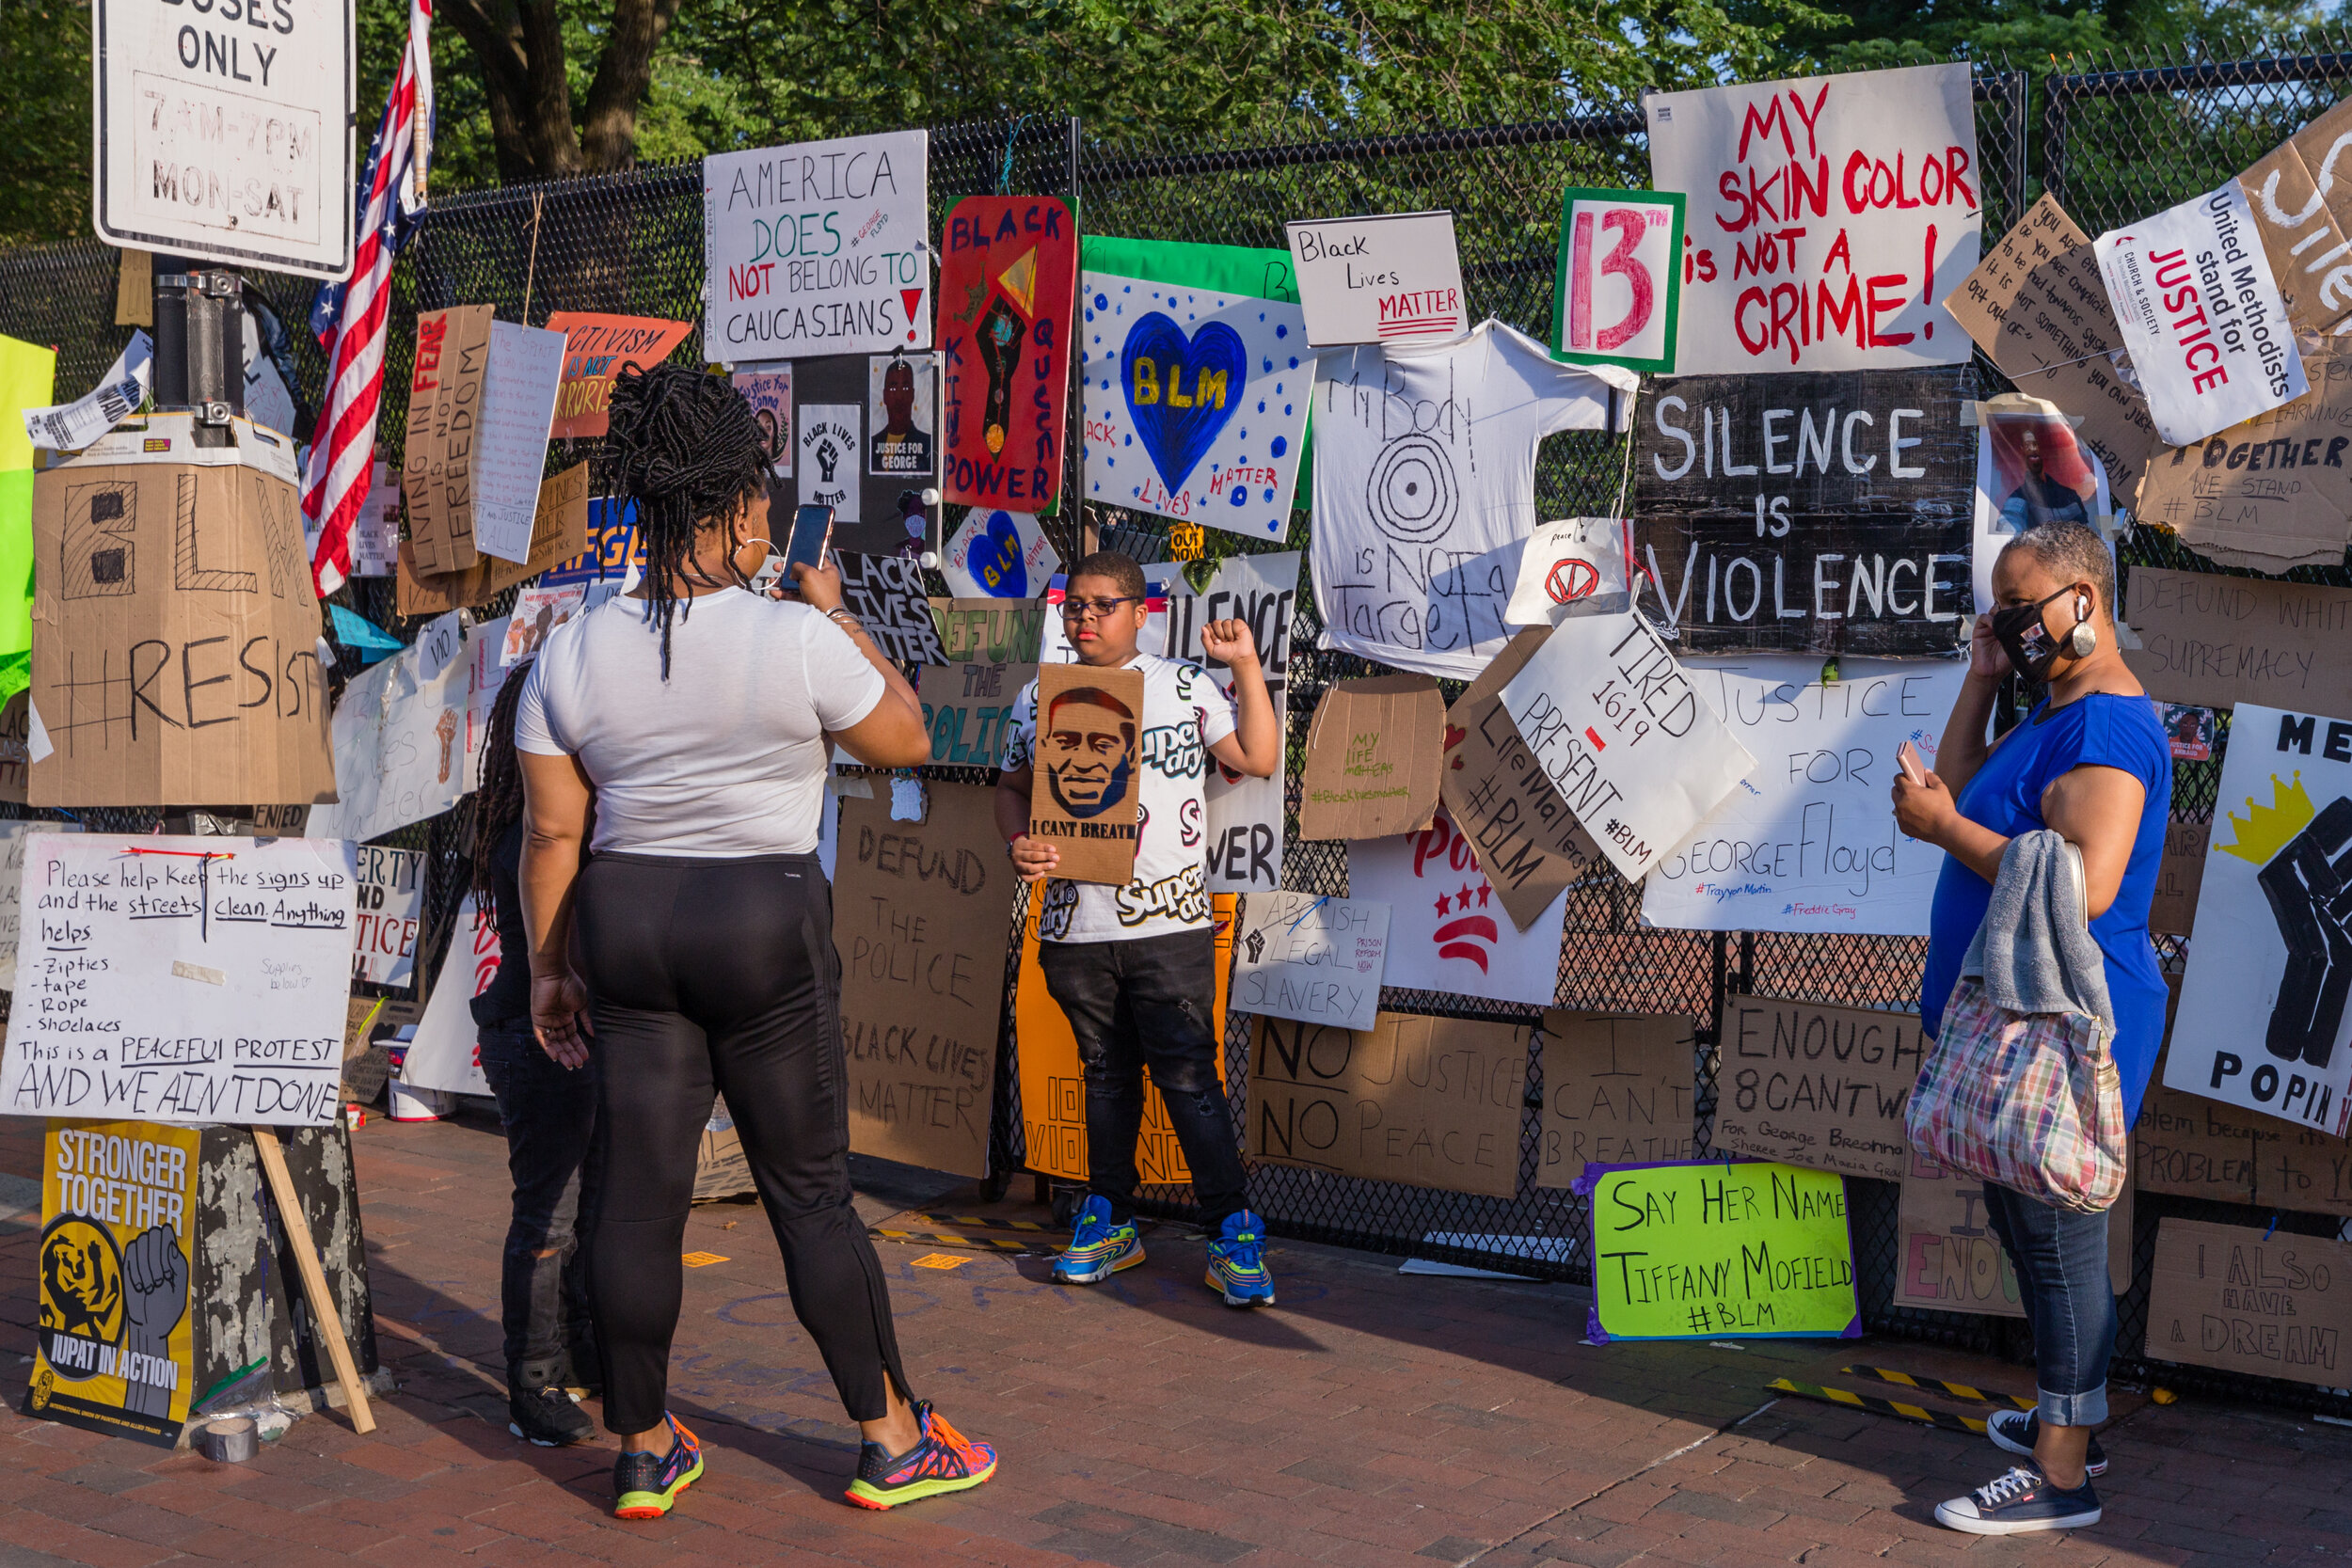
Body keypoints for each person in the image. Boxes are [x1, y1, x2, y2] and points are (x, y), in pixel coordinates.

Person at [515, 363, 997, 1519]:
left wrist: (548, 966)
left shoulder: (574, 649)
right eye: (759, 506)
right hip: (761, 920)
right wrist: (832, 608)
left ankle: (640, 1447)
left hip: (626, 922)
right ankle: (890, 1438)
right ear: (734, 508)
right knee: (810, 1192)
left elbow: (550, 830)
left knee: (636, 1198)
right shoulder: (793, 637)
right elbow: (907, 739)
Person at [1893, 520, 2170, 1536]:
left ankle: (2062, 1473)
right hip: (2016, 1019)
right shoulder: (2055, 706)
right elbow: (1968, 788)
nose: (2009, 628)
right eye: (1999, 612)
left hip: (2066, 1025)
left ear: (2085, 600)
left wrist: (1940, 830)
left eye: (2022, 609)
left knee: (2058, 1240)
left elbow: (2086, 885)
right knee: (2028, 1222)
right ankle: (2070, 1420)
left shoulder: (2106, 728)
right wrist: (1978, 674)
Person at [993, 551, 1284, 1305]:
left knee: (1190, 1078)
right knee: (1106, 1077)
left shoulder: (1184, 686)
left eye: (1102, 605)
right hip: (1075, 929)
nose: (1085, 617)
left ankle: (1231, 1230)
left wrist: (1246, 663)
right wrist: (1016, 843)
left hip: (1171, 928)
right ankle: (1111, 1219)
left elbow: (1256, 756)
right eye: (1075, 606)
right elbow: (1011, 788)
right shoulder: (1037, 697)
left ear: (1139, 612)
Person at [469, 673, 601, 1448]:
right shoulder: (540, 829)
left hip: (545, 1031)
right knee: (549, 1217)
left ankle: (577, 1355)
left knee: (579, 1212)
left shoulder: (538, 813)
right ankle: (534, 1385)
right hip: (539, 1036)